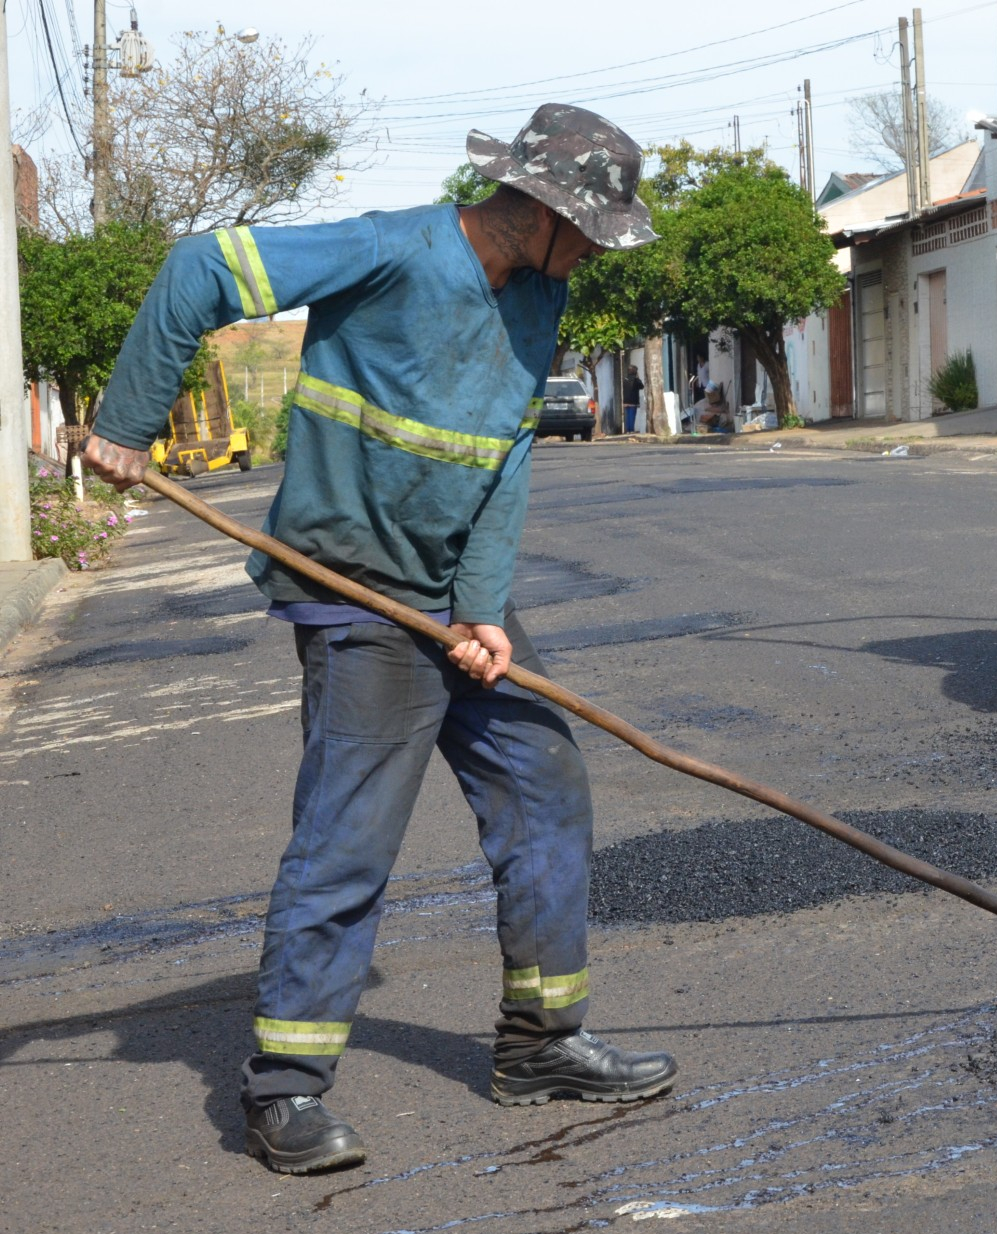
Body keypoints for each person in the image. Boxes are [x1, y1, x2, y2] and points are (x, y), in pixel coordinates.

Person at [82, 103, 677, 1176]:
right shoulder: (391, 250)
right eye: (587, 226)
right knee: (349, 839)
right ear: (538, 207)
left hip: (452, 596)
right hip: (354, 592)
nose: (593, 249)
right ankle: (284, 1088)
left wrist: (483, 606)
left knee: (546, 780)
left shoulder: (543, 294)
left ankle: (541, 1044)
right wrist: (127, 422)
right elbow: (197, 267)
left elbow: (504, 459)